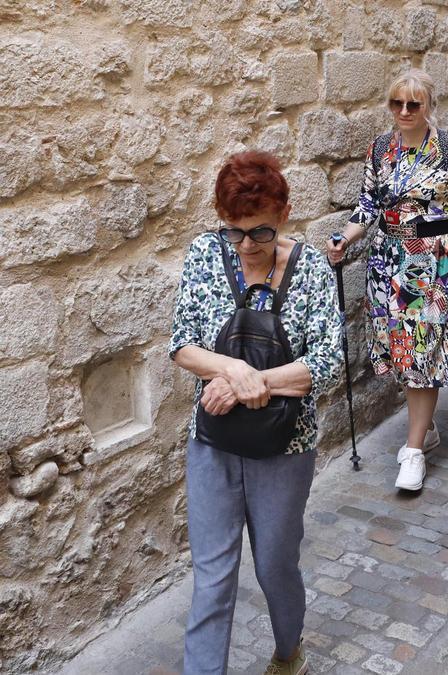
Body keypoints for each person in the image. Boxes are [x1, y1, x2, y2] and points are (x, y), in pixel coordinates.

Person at [170, 151, 341, 675]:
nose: (246, 245)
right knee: (213, 576)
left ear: (284, 215)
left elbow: (327, 361)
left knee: (275, 565)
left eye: (260, 232)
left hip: (285, 447)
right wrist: (230, 368)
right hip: (213, 442)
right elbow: (182, 344)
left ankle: (289, 654)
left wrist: (249, 383)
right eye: (235, 232)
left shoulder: (311, 269)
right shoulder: (205, 254)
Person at [330, 70, 448, 491]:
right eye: (396, 103)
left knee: (422, 355)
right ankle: (425, 428)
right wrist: (344, 237)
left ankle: (413, 451)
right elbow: (368, 203)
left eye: (413, 104)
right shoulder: (380, 148)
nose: (404, 111)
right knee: (402, 353)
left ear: (429, 105)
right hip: (389, 260)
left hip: (434, 263)